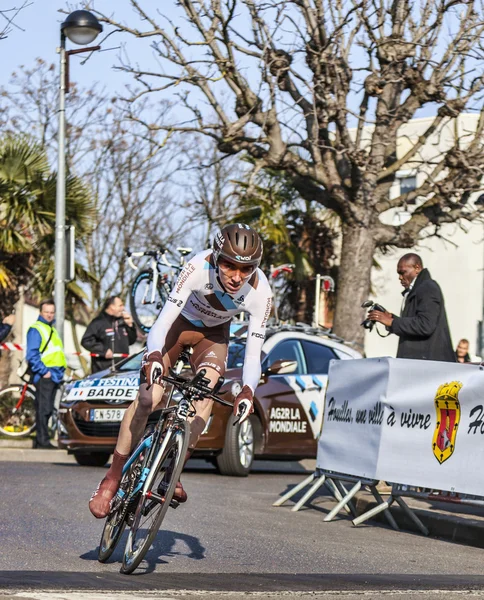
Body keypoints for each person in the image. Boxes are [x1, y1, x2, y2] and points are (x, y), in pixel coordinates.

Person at [89, 224, 273, 518]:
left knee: (206, 397)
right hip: (179, 326)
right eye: (229, 265)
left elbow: (253, 352)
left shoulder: (260, 290)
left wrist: (248, 390)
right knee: (149, 398)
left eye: (246, 268)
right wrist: (152, 357)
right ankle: (111, 478)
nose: (237, 276)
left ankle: (171, 474)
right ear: (216, 257)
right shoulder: (197, 267)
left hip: (213, 337)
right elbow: (162, 322)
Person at [368, 253, 455, 362]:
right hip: (420, 364)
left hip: (429, 365)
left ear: (417, 268)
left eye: (403, 272)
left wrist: (392, 322)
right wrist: (391, 318)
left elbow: (425, 325)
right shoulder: (417, 289)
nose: (400, 277)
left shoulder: (428, 288)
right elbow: (415, 325)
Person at [26, 300, 66, 449]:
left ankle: (40, 440)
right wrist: (45, 372)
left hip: (53, 374)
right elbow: (32, 355)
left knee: (46, 408)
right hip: (45, 375)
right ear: (40, 313)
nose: (49, 315)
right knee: (44, 409)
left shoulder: (51, 329)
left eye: (51, 312)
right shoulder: (37, 329)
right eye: (46, 312)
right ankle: (43, 441)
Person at [81, 296, 137, 374]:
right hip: (103, 372)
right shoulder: (98, 322)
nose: (123, 308)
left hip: (122, 371)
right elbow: (86, 341)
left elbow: (131, 341)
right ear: (112, 306)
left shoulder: (122, 322)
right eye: (120, 305)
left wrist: (130, 326)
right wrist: (103, 351)